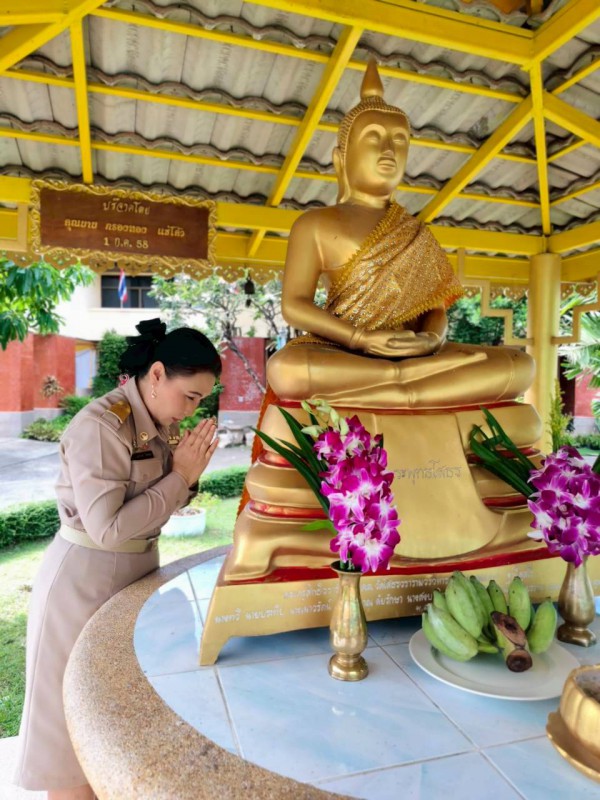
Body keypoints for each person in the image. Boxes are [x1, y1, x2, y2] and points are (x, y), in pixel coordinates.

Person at [14, 318, 221, 799]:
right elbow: (106, 528)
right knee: (70, 738)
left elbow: (162, 503)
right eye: (189, 396)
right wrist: (180, 477)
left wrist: (187, 477)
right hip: (82, 585)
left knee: (114, 722)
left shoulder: (158, 424)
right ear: (157, 374)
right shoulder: (102, 426)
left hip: (133, 574)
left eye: (200, 401)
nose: (191, 410)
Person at [267, 58, 534, 408]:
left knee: (518, 364)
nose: (388, 150)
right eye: (373, 138)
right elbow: (294, 305)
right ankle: (405, 384)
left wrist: (430, 340)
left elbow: (435, 309)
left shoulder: (416, 231)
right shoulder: (315, 223)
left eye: (399, 140)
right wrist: (361, 338)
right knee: (287, 368)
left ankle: (401, 380)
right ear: (340, 159)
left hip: (415, 355)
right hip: (345, 351)